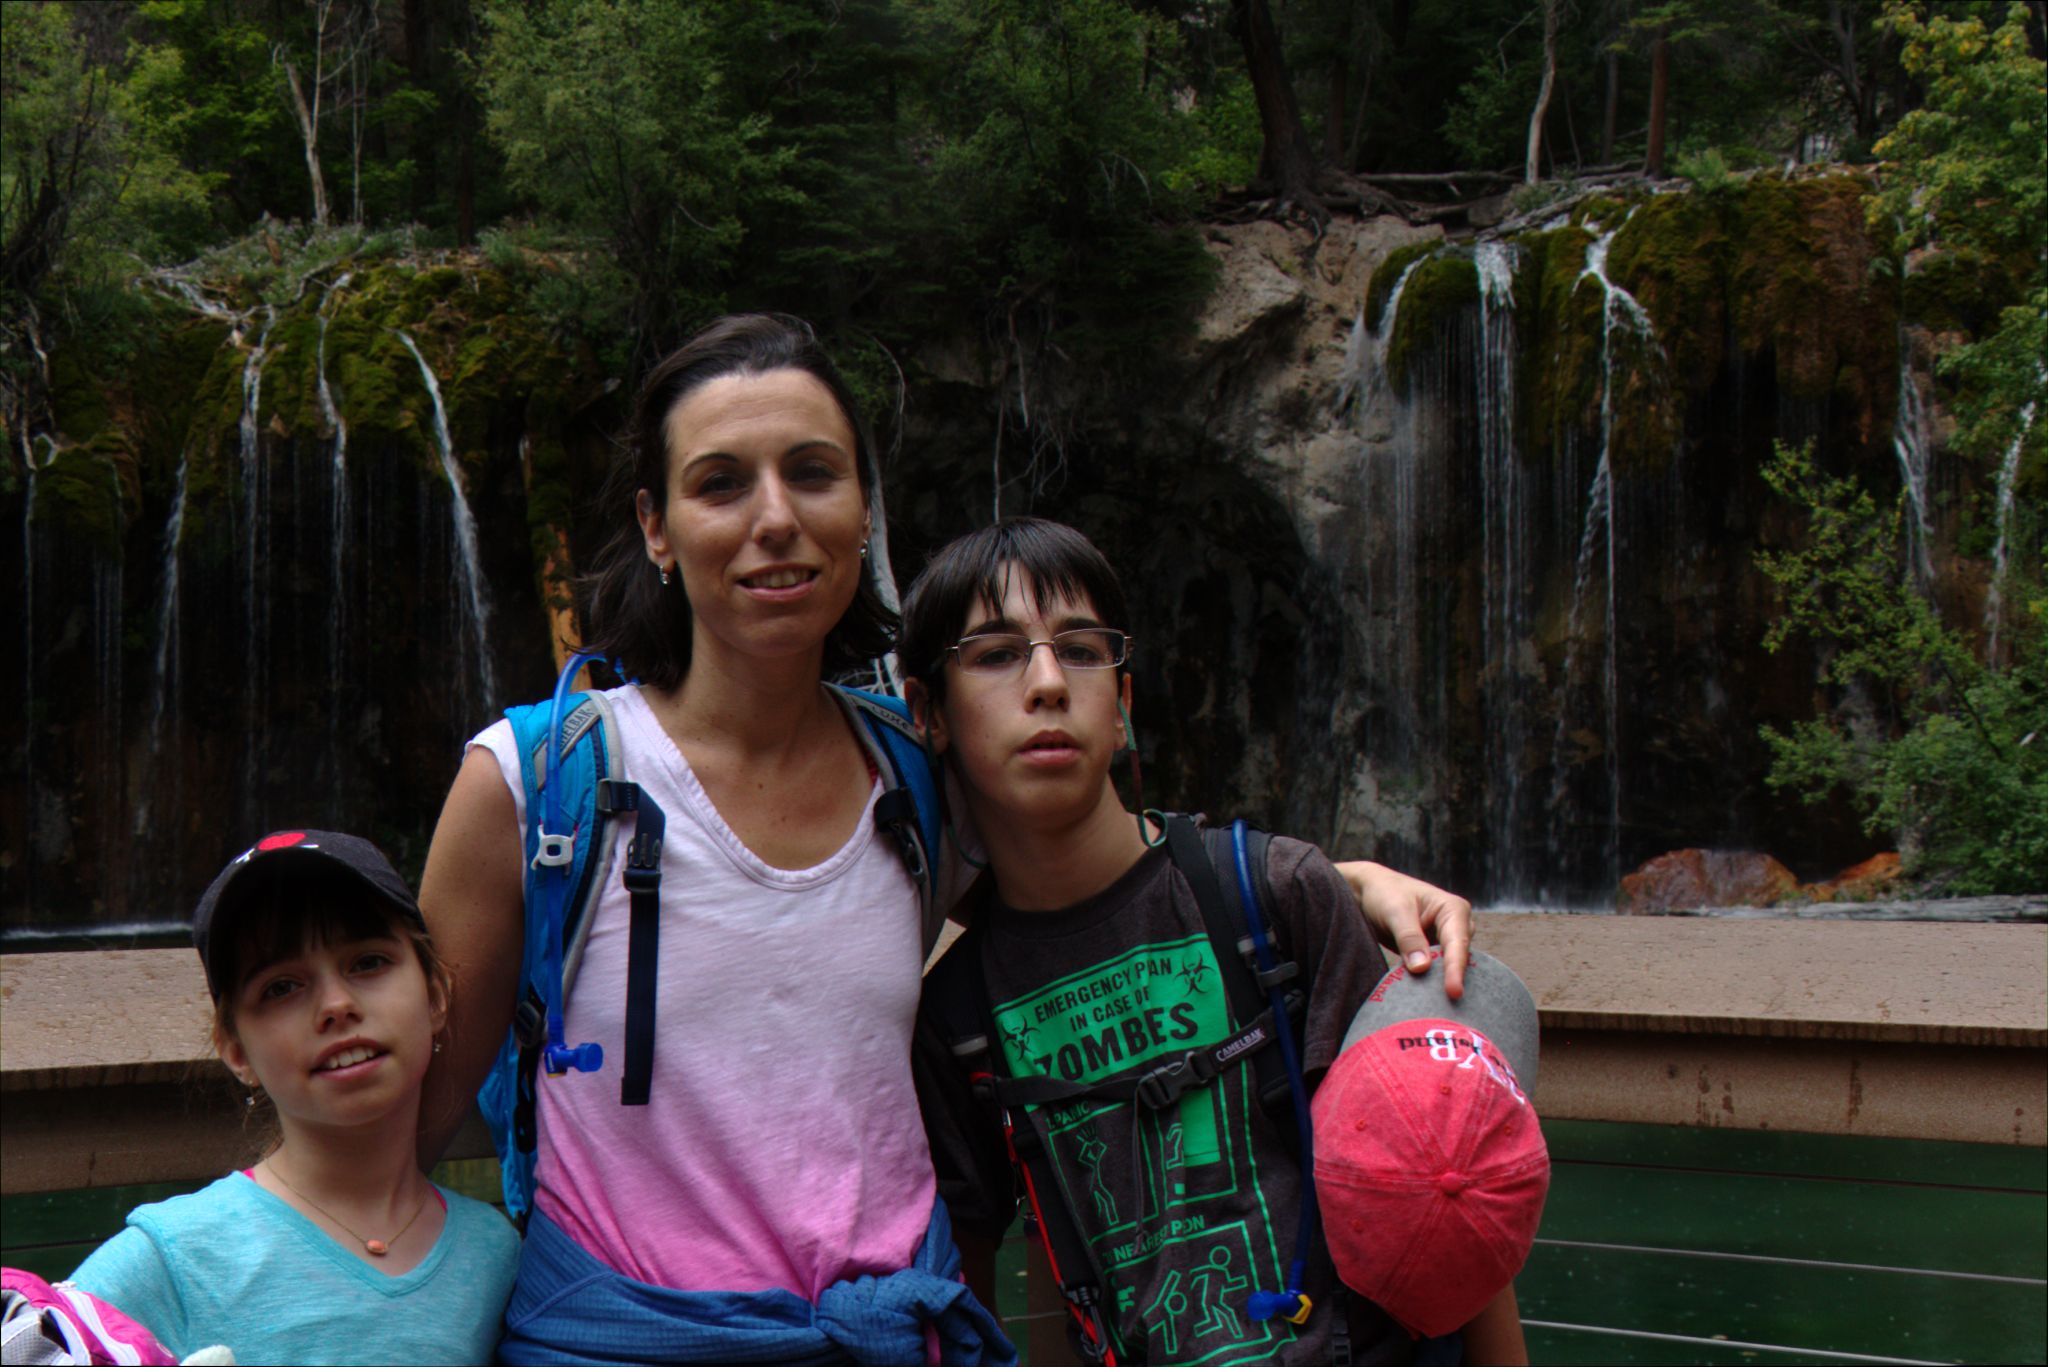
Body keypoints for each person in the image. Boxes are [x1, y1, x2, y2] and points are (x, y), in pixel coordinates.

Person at [413, 314, 1474, 1364]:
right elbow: (398, 1123)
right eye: (720, 481)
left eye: (813, 471)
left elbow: (1098, 874)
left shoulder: (918, 776)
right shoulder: (534, 787)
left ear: (863, 509)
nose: (773, 516)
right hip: (624, 1337)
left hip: (890, 1330)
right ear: (655, 524)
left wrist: (1333, 881)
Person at [899, 518, 1528, 1366]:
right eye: (997, 653)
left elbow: (1438, 1191)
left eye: (1081, 650)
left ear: (1123, 708)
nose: (1048, 682)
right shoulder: (959, 1016)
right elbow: (981, 1296)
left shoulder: (1276, 897)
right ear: (927, 710)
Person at [68, 830, 520, 1366]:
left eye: (368, 962)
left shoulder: (494, 1254)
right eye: (281, 987)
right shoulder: (173, 1257)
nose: (336, 1004)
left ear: (436, 995)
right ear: (236, 1050)